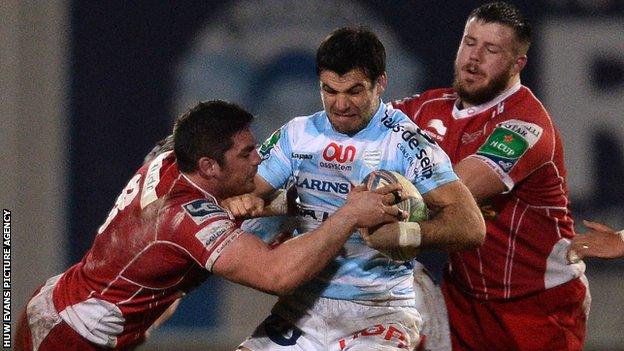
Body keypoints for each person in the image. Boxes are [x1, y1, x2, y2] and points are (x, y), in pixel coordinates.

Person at [14, 100, 406, 351]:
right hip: (69, 337)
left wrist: (271, 203)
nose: (259, 159)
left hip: (75, 310)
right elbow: (278, 275)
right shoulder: (188, 219)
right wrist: (350, 213)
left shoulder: (172, 157)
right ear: (208, 167)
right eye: (247, 152)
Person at [235, 27, 485, 351]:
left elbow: (471, 226)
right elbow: (249, 191)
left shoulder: (405, 142)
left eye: (354, 91)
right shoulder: (297, 134)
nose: (340, 105)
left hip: (379, 313)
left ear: (380, 83)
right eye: (329, 90)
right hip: (302, 309)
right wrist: (256, 201)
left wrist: (402, 235)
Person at [386, 2, 590, 350]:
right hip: (463, 298)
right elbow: (356, 133)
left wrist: (377, 211)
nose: (474, 57)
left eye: (491, 49)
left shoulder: (525, 126)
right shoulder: (428, 107)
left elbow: (453, 194)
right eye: (469, 42)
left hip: (537, 309)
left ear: (517, 63)